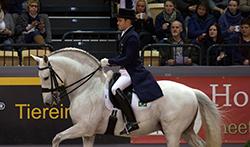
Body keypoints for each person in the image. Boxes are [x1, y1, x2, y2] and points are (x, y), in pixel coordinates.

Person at [100, 8, 163, 135]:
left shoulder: (132, 36)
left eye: (120, 21)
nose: (117, 23)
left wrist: (110, 61)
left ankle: (131, 122)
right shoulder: (125, 34)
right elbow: (122, 56)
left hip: (132, 70)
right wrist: (110, 61)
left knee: (115, 89)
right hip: (125, 70)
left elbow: (127, 58)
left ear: (128, 21)